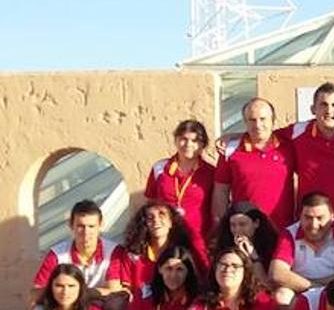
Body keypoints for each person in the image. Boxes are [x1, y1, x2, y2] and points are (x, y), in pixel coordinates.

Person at [276, 82, 334, 228]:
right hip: (309, 223)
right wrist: (233, 137)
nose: (329, 110)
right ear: (313, 109)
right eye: (323, 105)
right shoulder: (298, 132)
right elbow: (264, 136)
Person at [30, 200, 128, 310]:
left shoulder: (114, 251)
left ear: (101, 225)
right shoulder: (56, 254)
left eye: (91, 226)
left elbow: (114, 290)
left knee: (116, 305)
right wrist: (66, 295)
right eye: (80, 226)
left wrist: (77, 293)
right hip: (65, 304)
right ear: (71, 225)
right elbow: (35, 293)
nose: (86, 233)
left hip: (100, 305)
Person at [213, 98, 296, 228]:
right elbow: (221, 191)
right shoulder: (230, 150)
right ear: (245, 122)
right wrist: (222, 225)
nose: (257, 125)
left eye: (263, 119)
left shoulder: (288, 147)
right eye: (252, 120)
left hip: (283, 230)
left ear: (273, 121)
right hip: (245, 230)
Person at [269, 192, 334, 306]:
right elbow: (277, 273)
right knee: (282, 296)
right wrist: (312, 287)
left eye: (320, 218)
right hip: (300, 291)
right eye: (308, 218)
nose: (314, 224)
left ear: (332, 216)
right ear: (300, 217)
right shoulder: (289, 233)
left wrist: (318, 288)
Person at [145, 119, 216, 257]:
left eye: (195, 140)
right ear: (176, 140)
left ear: (203, 144)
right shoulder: (160, 168)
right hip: (165, 238)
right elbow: (149, 203)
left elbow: (216, 208)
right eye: (183, 139)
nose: (188, 145)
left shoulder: (211, 172)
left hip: (198, 240)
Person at [108, 202, 199, 295]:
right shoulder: (133, 254)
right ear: (144, 224)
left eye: (162, 215)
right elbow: (125, 289)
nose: (156, 220)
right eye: (150, 217)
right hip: (140, 305)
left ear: (171, 222)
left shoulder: (182, 253)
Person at [210, 201, 280, 291]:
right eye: (233, 225)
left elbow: (267, 285)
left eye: (242, 224)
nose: (237, 230)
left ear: (256, 223)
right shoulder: (224, 245)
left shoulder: (271, 245)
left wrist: (252, 255)